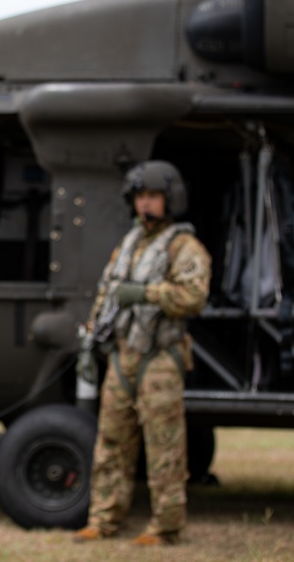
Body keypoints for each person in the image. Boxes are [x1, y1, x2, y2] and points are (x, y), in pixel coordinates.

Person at [73, 160, 211, 546]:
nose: (145, 205)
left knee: (164, 446)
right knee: (111, 442)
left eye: (152, 197)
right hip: (123, 355)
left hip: (160, 357)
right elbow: (108, 291)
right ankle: (103, 519)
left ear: (170, 199)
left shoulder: (185, 247)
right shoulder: (129, 245)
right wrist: (91, 336)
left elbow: (194, 297)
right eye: (140, 197)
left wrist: (148, 294)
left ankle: (165, 526)